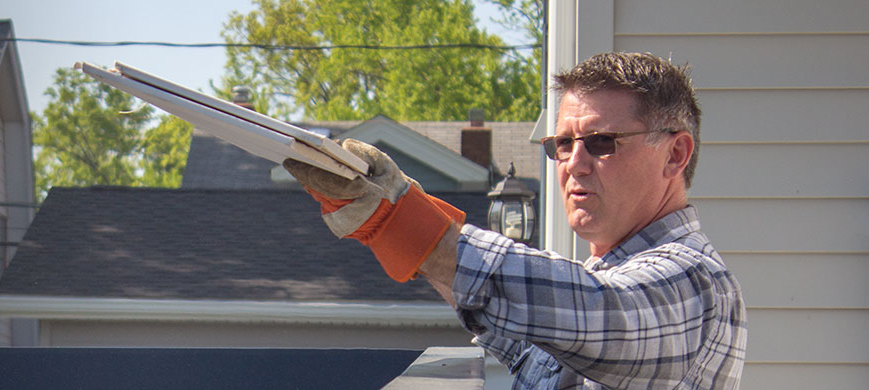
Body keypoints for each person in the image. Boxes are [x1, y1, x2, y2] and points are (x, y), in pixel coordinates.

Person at [284, 52, 746, 389]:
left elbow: (598, 312)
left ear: (675, 154)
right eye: (562, 144)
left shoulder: (695, 280)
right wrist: (390, 219)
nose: (574, 163)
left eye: (602, 142)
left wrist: (401, 219)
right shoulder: (599, 283)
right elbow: (523, 335)